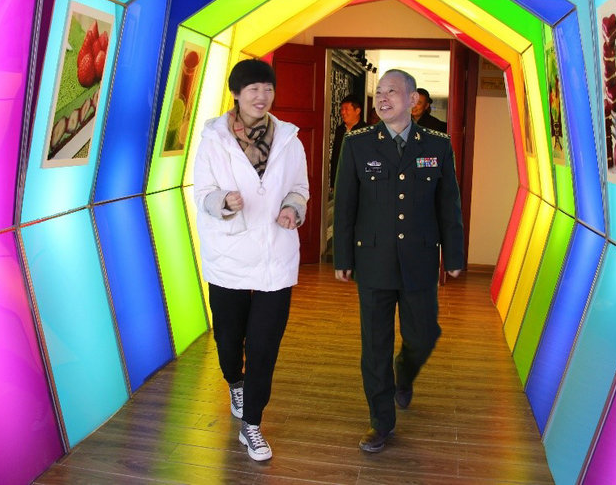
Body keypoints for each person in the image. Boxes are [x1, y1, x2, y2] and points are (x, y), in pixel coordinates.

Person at [333, 69, 464, 453]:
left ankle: (403, 374)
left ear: (412, 99)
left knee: (423, 335)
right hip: (373, 259)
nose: (382, 98)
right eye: (379, 92)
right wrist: (343, 256)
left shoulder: (437, 145)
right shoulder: (358, 144)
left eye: (392, 91)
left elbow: (449, 205)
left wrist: (453, 255)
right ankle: (381, 422)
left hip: (419, 259)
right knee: (375, 346)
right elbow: (345, 206)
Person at [193, 59, 309, 462]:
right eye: (254, 89)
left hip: (276, 257)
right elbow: (202, 192)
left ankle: (253, 424)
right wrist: (222, 201)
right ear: (236, 94)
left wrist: (293, 207)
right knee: (229, 340)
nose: (262, 96)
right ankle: (234, 381)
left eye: (268, 89)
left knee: (264, 346)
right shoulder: (214, 140)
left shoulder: (290, 139)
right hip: (230, 256)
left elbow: (300, 187)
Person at [330, 95, 366, 191]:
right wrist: (333, 182)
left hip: (360, 182)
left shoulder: (366, 131)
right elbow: (335, 156)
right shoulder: (340, 130)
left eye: (346, 109)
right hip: (341, 180)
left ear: (357, 111)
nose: (343, 112)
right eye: (342, 109)